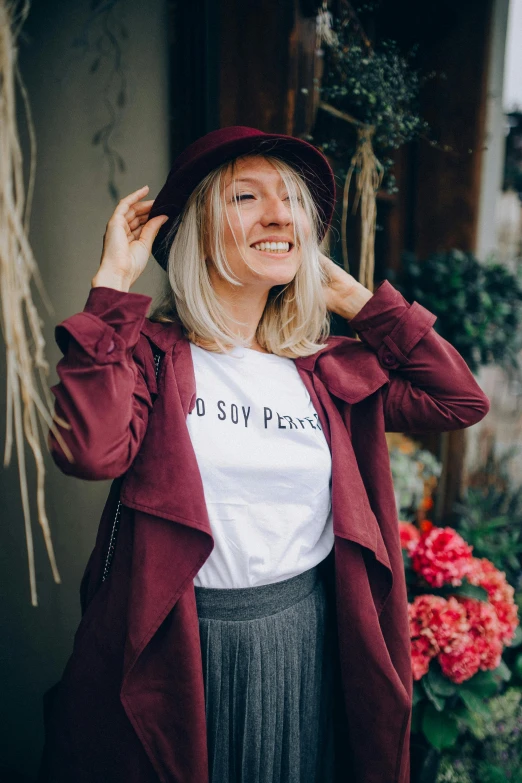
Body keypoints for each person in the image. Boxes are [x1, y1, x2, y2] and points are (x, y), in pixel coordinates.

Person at [38, 126, 490, 783]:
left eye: (293, 202)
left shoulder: (322, 370)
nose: (280, 214)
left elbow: (459, 400)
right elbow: (89, 448)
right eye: (247, 197)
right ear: (195, 228)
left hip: (307, 642)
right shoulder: (151, 357)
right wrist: (112, 284)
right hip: (187, 655)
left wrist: (351, 299)